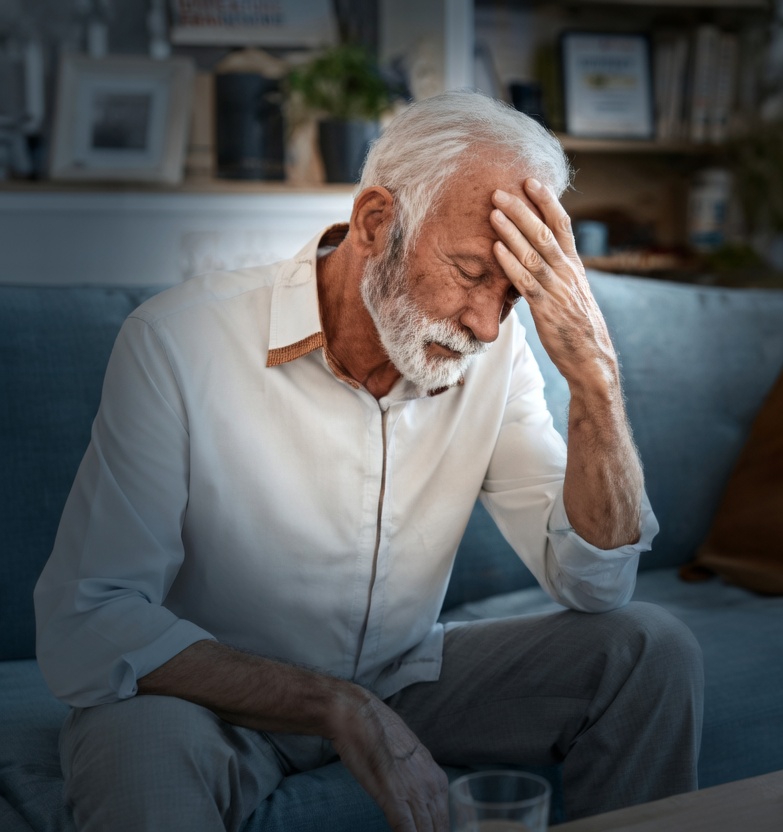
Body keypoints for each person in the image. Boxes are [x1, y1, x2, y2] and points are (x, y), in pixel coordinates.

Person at [34, 91, 704, 832]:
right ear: (375, 222)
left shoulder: (493, 352)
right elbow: (88, 622)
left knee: (650, 650)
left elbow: (595, 582)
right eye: (471, 272)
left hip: (405, 677)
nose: (485, 323)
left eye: (514, 295)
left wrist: (596, 380)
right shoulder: (178, 341)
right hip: (213, 701)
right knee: (133, 750)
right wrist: (333, 706)